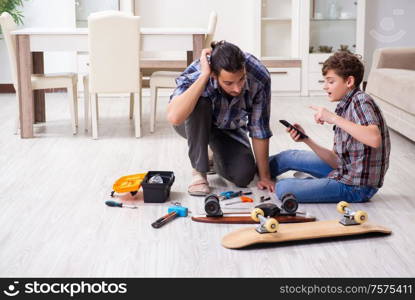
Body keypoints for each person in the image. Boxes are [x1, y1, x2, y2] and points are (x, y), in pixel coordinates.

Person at [269, 51, 391, 203]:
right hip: (343, 170)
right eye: (325, 81)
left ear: (349, 81)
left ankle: (315, 183)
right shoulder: (344, 106)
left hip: (356, 187)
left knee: (283, 188)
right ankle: (254, 171)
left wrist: (332, 118)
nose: (325, 87)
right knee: (286, 157)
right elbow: (335, 160)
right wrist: (306, 139)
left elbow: (374, 138)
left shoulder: (361, 100)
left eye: (331, 81)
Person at [168, 40, 274, 196]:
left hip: (228, 128)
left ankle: (211, 154)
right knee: (200, 101)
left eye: (241, 79)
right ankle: (199, 172)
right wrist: (204, 76)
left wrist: (265, 177)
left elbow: (259, 128)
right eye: (229, 83)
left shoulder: (258, 76)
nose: (237, 88)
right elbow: (175, 117)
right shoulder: (200, 71)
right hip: (192, 122)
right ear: (214, 74)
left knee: (243, 176)